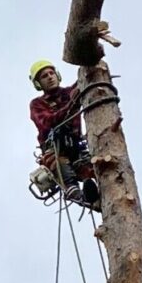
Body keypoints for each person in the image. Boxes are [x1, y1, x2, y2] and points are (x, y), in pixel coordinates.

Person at [28, 60, 99, 210]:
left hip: (77, 148)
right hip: (56, 150)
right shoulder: (37, 104)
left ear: (57, 75)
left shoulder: (69, 93)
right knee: (61, 168)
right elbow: (46, 121)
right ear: (38, 83)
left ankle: (96, 195)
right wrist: (71, 106)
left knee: (94, 168)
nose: (49, 77)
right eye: (44, 76)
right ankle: (79, 196)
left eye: (51, 73)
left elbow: (83, 80)